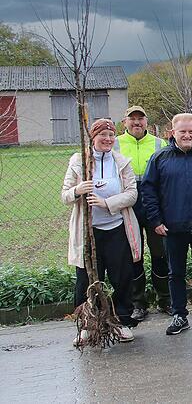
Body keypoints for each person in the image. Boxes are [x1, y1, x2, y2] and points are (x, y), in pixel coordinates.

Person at [141, 112, 192, 335]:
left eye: (191, 131)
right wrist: (156, 220)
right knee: (175, 273)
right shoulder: (160, 158)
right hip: (172, 228)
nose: (187, 135)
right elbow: (148, 191)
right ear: (172, 132)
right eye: (182, 131)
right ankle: (179, 315)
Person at [61, 118, 141, 344]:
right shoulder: (79, 161)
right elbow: (65, 195)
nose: (107, 139)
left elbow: (132, 194)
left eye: (111, 135)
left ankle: (122, 322)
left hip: (117, 229)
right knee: (86, 280)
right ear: (92, 137)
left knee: (122, 277)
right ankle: (87, 325)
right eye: (102, 135)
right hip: (89, 232)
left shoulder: (121, 162)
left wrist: (107, 203)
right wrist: (78, 190)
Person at [114, 105, 171, 320]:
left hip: (154, 204)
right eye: (132, 119)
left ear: (147, 121)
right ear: (125, 122)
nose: (136, 122)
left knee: (160, 253)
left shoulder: (159, 144)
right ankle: (138, 303)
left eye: (140, 118)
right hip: (128, 205)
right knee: (133, 254)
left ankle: (165, 298)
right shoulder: (115, 144)